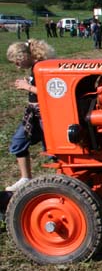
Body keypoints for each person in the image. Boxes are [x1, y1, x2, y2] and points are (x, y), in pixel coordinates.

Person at [5, 39, 55, 191]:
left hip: (44, 115)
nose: (16, 66)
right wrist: (30, 84)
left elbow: (49, 92)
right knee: (18, 143)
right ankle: (25, 178)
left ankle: (68, 181)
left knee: (54, 150)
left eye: (16, 62)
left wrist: (26, 86)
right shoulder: (35, 68)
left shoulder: (40, 67)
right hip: (34, 115)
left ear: (23, 57)